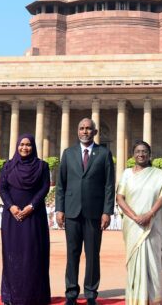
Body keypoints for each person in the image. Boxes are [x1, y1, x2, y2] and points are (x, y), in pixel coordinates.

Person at [56, 118, 116, 305]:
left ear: (95, 132)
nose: (85, 131)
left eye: (89, 129)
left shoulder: (104, 153)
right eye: (81, 128)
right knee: (72, 254)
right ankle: (71, 293)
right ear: (77, 131)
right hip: (72, 212)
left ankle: (91, 293)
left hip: (94, 213)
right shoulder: (68, 153)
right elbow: (61, 184)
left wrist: (107, 211)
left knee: (92, 255)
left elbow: (109, 185)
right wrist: (59, 209)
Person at [116, 140, 162, 305]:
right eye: (138, 151)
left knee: (152, 260)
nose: (141, 154)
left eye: (144, 151)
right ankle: (136, 298)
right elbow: (119, 197)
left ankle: (154, 298)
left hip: (152, 224)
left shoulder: (159, 175)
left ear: (150, 155)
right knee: (134, 261)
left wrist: (149, 214)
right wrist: (135, 216)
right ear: (133, 154)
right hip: (133, 224)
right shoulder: (126, 173)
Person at [0, 134, 51, 305]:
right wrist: (11, 206)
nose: (24, 148)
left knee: (33, 254)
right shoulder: (8, 166)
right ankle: (12, 295)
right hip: (12, 217)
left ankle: (35, 295)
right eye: (21, 144)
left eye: (28, 145)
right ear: (17, 146)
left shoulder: (42, 166)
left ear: (33, 147)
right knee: (12, 254)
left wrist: (31, 206)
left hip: (34, 216)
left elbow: (44, 188)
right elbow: (3, 188)